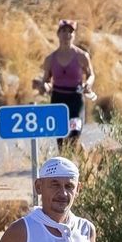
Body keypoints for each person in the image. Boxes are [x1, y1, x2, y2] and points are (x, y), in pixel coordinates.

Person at [33, 19, 95, 151]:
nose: (67, 35)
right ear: (58, 34)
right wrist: (44, 86)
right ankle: (70, 163)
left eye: (70, 32)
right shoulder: (50, 59)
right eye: (63, 31)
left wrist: (88, 84)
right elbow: (46, 80)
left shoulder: (82, 56)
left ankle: (79, 159)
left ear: (74, 35)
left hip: (75, 100)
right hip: (58, 100)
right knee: (61, 141)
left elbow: (91, 74)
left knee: (74, 135)